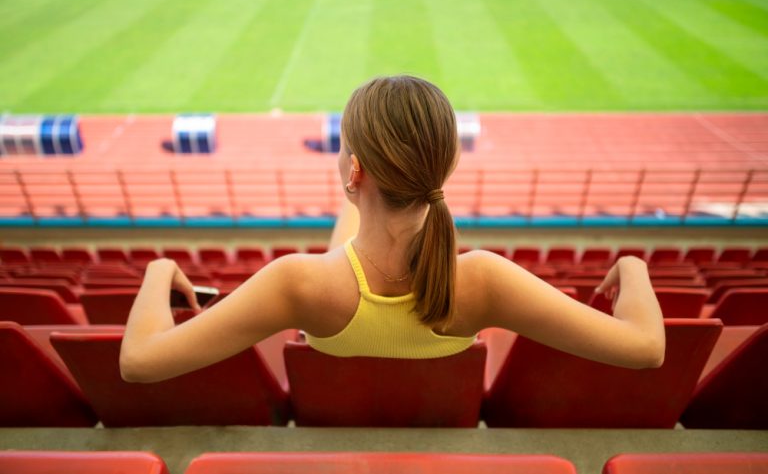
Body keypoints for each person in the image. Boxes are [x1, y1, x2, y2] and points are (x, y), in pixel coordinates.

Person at [120, 76, 665, 383]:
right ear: (448, 167)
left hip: (341, 285)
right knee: (351, 232)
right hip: (371, 257)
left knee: (348, 240)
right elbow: (646, 348)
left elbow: (139, 364)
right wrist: (634, 267)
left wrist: (160, 269)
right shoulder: (487, 280)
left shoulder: (295, 284)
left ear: (353, 169)